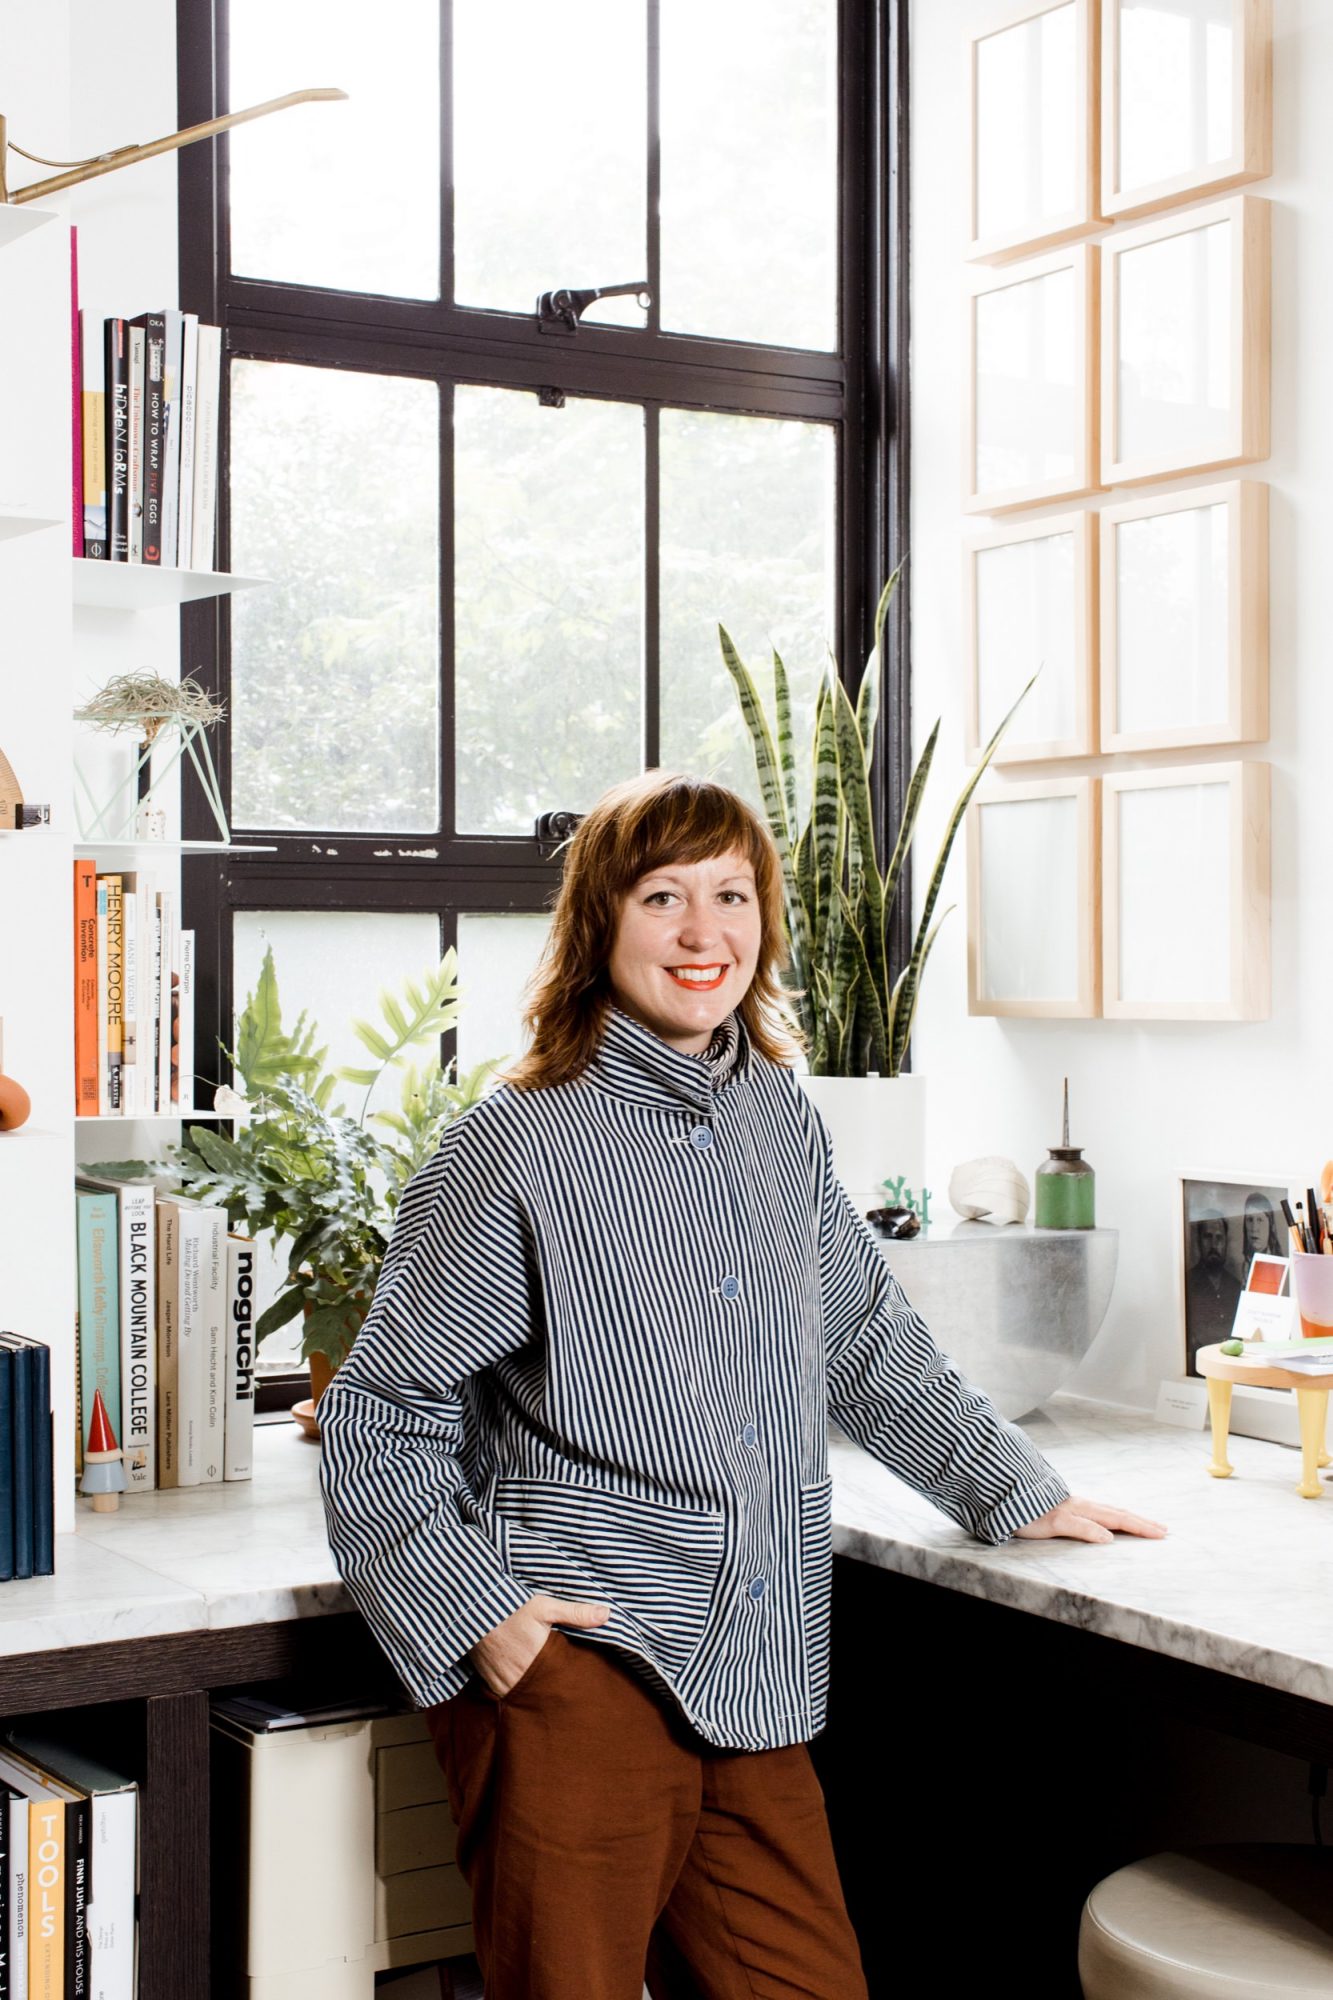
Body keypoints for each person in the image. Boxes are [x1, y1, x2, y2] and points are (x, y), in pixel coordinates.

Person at [318, 772, 1167, 2000]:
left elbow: (862, 1334)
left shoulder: (779, 1112)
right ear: (599, 924)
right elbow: (383, 1412)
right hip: (587, 1665)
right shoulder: (511, 1142)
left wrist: (1010, 1489)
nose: (702, 932)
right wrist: (488, 1624)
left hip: (758, 1668)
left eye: (730, 895)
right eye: (662, 896)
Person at [1187, 1208, 1244, 1365]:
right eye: (1208, 1237)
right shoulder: (1187, 1283)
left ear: (1226, 1242)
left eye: (1219, 1238)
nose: (1214, 1245)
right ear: (1199, 1241)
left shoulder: (1235, 1287)